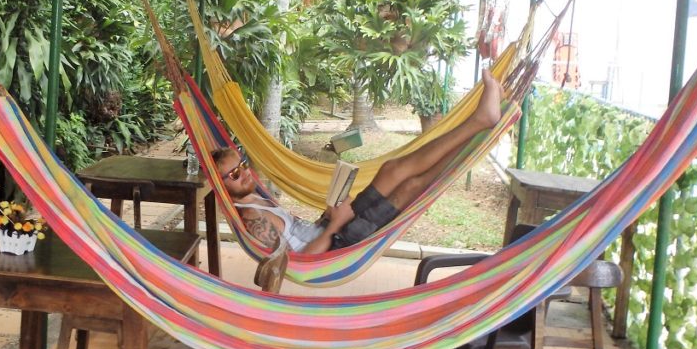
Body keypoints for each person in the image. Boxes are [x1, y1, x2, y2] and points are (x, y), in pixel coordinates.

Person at [213, 68, 503, 254]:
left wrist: (329, 216)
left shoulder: (255, 197)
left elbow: (298, 234)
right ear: (220, 185)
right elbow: (300, 262)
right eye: (234, 175)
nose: (245, 173)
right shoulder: (252, 220)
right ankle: (479, 123)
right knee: (410, 187)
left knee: (392, 169)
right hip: (338, 243)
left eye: (242, 165)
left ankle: (478, 125)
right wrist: (334, 226)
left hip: (333, 226)